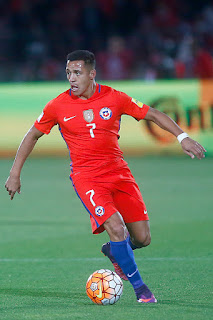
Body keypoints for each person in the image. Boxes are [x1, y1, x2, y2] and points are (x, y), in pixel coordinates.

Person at [5, 50, 206, 304]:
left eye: (77, 73)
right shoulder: (57, 105)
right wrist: (15, 173)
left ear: (92, 74)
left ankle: (115, 251)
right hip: (87, 177)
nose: (72, 78)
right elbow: (32, 135)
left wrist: (182, 137)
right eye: (68, 73)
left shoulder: (114, 98)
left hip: (119, 173)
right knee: (116, 227)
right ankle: (141, 290)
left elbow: (153, 113)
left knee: (142, 238)